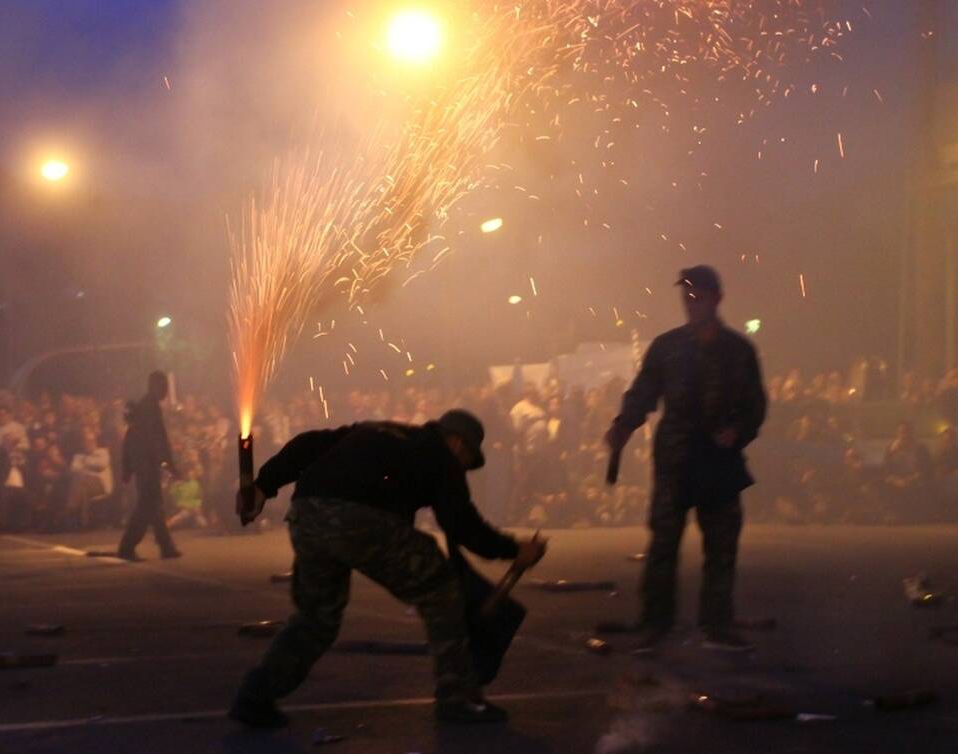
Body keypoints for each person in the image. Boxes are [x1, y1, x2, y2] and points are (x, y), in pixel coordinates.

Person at [230, 409, 548, 729]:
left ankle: (255, 696)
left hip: (307, 515)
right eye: (467, 459)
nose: (465, 467)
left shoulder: (378, 430)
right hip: (360, 519)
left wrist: (263, 486)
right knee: (441, 587)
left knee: (316, 618)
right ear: (457, 442)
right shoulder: (440, 454)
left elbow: (307, 445)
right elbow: (462, 524)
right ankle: (459, 697)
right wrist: (515, 550)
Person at [605, 265, 767, 655]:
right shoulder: (667, 347)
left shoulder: (738, 350)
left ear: (716, 299)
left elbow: (755, 406)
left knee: (722, 547)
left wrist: (738, 431)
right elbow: (643, 392)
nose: (691, 304)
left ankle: (717, 625)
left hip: (719, 461)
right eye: (687, 298)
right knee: (663, 545)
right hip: (676, 460)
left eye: (698, 297)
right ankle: (655, 622)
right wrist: (624, 425)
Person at [117, 371, 181, 561]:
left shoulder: (143, 407)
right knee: (147, 507)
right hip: (147, 466)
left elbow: (131, 438)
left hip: (142, 465)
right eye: (164, 387)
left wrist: (128, 466)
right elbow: (159, 439)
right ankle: (127, 546)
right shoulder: (150, 408)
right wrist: (170, 464)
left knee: (155, 506)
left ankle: (166, 546)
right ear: (157, 386)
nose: (166, 392)